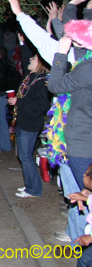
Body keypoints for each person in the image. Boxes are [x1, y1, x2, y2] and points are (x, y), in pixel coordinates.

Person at [48, 20, 92, 191]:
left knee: (84, 195)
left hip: (83, 144)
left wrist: (61, 54)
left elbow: (54, 85)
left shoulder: (87, 69)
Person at [8, 35, 50, 198]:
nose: (29, 60)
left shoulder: (42, 82)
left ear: (39, 63)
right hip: (23, 121)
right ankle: (29, 186)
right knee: (23, 156)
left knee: (25, 156)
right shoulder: (30, 76)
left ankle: (34, 189)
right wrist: (22, 43)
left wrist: (19, 101)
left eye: (33, 59)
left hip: (30, 124)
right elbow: (25, 56)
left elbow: (41, 106)